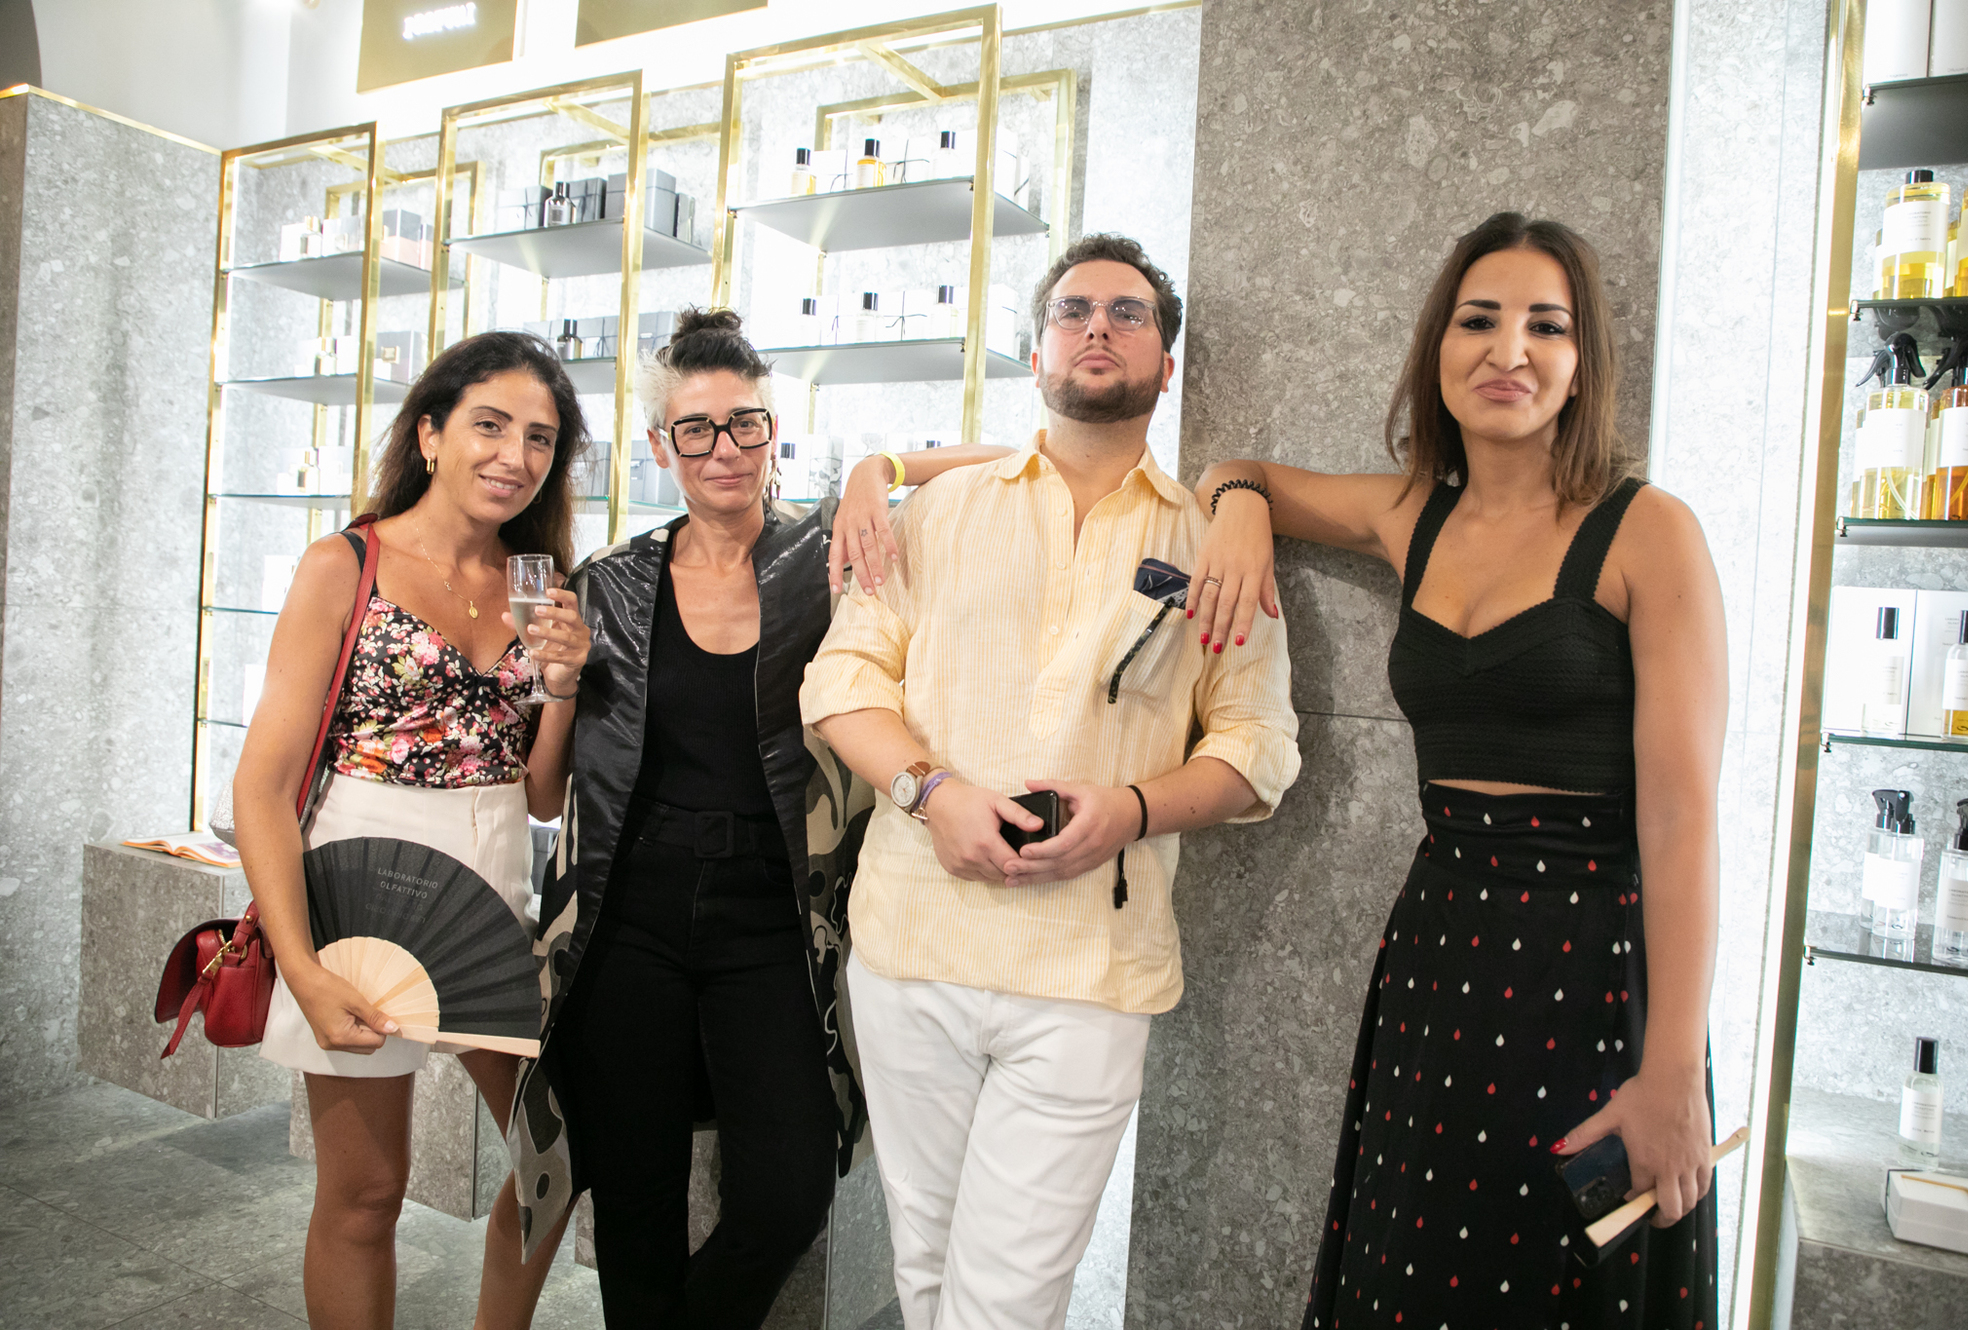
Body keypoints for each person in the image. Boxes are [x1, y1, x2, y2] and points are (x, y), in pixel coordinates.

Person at [1188, 212, 1725, 1327]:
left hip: (1592, 963)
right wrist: (1237, 513)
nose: (1508, 350)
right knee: (1410, 1270)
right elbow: (1241, 472)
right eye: (1478, 320)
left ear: (1582, 362)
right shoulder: (1410, 513)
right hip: (1441, 951)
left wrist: (1674, 1068)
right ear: (1439, 346)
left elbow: (1683, 820)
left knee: (1564, 1289)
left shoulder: (1648, 531)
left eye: (1546, 326)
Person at [799, 234, 1302, 1330]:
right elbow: (839, 681)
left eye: (1128, 313)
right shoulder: (939, 511)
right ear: (1036, 354)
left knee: (1006, 1303)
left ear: (1166, 363)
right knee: (924, 1274)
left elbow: (1259, 743)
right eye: (1073, 311)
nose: (1097, 327)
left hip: (1088, 969)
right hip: (909, 947)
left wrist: (1131, 811)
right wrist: (932, 794)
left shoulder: (1211, 544)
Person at [507, 307, 1010, 1327]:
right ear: (661, 447)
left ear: (774, 430)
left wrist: (878, 468)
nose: (724, 449)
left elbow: (1013, 465)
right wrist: (557, 687)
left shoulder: (831, 555)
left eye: (746, 423)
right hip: (630, 914)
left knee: (788, 1190)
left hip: (777, 914)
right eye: (696, 428)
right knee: (635, 1203)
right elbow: (546, 796)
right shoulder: (611, 585)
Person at [233, 330, 593, 1330]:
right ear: (431, 433)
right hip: (359, 894)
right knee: (365, 1193)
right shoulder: (344, 564)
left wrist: (565, 684)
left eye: (539, 438)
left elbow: (540, 795)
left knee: (555, 1157)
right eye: (490, 425)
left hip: (492, 893)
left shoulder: (538, 581)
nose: (514, 455)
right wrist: (301, 967)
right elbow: (261, 786)